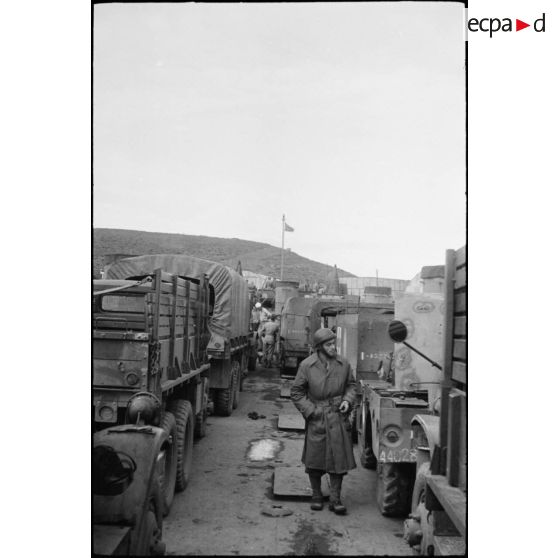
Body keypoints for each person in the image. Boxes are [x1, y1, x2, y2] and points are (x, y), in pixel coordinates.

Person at [290, 328, 356, 514]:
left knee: (338, 460)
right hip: (317, 416)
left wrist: (347, 400)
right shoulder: (307, 366)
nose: (333, 347)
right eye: (328, 344)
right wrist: (311, 411)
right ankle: (317, 495)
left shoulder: (344, 364)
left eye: (334, 343)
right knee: (314, 459)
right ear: (319, 347)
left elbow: (352, 386)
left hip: (337, 415)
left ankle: (335, 499)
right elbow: (296, 392)